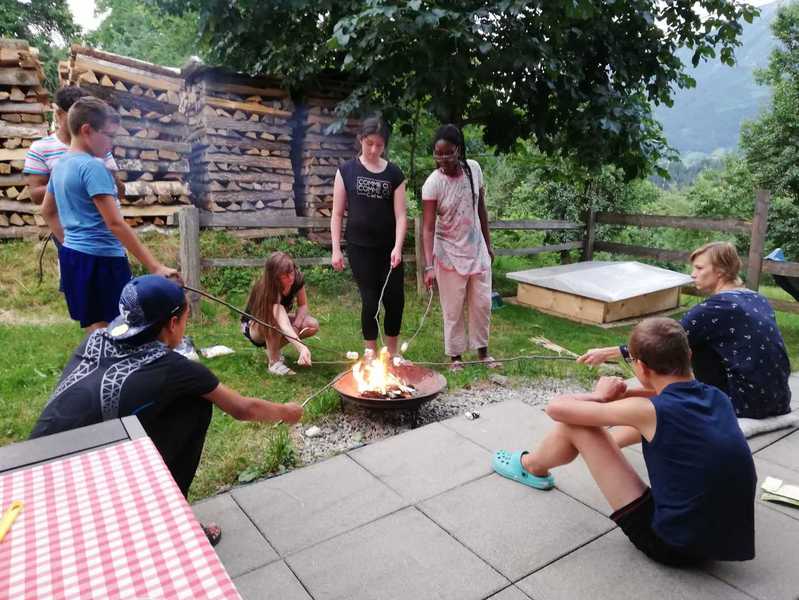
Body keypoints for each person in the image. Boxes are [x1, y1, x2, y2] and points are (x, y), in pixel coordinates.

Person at [30, 275, 304, 545]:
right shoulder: (173, 369)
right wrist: (288, 412)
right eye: (185, 319)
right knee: (197, 403)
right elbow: (242, 409)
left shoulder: (95, 340)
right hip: (71, 490)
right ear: (173, 323)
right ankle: (171, 518)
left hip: (30, 466)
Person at [493, 317, 756, 566]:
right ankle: (597, 449)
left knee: (577, 426)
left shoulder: (648, 412)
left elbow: (556, 408)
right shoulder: (717, 396)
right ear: (688, 355)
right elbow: (664, 393)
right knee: (663, 429)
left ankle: (531, 466)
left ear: (641, 367)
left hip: (672, 546)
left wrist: (599, 396)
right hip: (723, 539)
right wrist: (625, 393)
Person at [578, 241, 791, 419]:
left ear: (721, 271)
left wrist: (607, 353)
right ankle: (636, 394)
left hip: (743, 405)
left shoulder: (717, 307)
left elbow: (659, 340)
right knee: (693, 340)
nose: (692, 274)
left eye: (699, 268)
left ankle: (645, 400)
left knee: (676, 345)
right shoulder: (757, 298)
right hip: (779, 400)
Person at [40, 97, 177, 332]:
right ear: (87, 130)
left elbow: (47, 211)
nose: (112, 143)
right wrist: (155, 267)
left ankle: (98, 357)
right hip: (102, 261)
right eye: (110, 135)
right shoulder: (93, 167)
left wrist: (70, 242)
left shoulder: (61, 165)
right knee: (118, 329)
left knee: (95, 328)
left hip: (73, 257)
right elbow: (115, 223)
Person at [421, 124, 498, 371]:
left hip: (476, 250)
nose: (443, 158)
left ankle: (483, 352)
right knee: (453, 308)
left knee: (482, 304)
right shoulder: (433, 183)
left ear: (459, 150)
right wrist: (429, 266)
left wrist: (488, 244)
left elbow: (481, 208)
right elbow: (428, 228)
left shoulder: (474, 169)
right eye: (438, 153)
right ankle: (455, 357)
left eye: (449, 153)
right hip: (448, 253)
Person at [331, 116, 408, 357]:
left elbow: (401, 215)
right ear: (361, 140)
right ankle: (371, 353)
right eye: (369, 143)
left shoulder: (394, 174)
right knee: (370, 300)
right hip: (360, 248)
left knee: (395, 299)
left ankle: (393, 353)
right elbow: (337, 214)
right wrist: (336, 249)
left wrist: (398, 247)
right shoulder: (346, 171)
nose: (374, 150)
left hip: (389, 249)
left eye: (379, 145)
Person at [24, 86, 124, 206]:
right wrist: (78, 182)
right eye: (76, 114)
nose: (82, 120)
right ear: (59, 113)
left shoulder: (98, 144)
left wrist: (110, 177)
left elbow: (120, 192)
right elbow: (36, 196)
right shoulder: (41, 148)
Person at [241, 251, 318, 375]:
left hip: (279, 321)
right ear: (274, 277)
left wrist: (296, 326)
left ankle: (272, 350)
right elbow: (283, 323)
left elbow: (303, 306)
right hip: (255, 328)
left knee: (311, 324)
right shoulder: (267, 289)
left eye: (291, 272)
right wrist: (301, 347)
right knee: (275, 318)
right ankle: (274, 363)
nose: (290, 278)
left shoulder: (297, 279)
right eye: (284, 276)